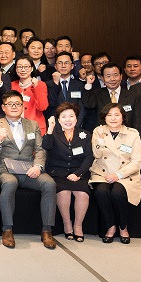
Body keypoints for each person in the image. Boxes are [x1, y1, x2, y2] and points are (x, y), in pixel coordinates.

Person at [0, 90, 57, 249]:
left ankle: (47, 230)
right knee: (9, 183)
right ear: (3, 107)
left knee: (49, 184)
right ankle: (7, 229)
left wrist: (38, 166)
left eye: (17, 104)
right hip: (5, 169)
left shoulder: (32, 125)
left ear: (23, 106)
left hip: (28, 169)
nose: (14, 107)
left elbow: (40, 149)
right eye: (10, 104)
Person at [90, 103, 141, 244]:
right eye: (109, 115)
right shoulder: (98, 131)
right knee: (101, 192)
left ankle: (123, 227)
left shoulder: (133, 134)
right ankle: (110, 226)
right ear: (104, 117)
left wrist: (118, 175)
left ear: (123, 117)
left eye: (117, 115)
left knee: (117, 193)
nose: (113, 118)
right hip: (102, 173)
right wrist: (100, 140)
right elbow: (96, 154)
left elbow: (136, 162)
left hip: (125, 174)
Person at [42, 103, 92, 243]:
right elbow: (46, 146)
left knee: (82, 194)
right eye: (63, 117)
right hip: (58, 172)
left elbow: (89, 157)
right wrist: (50, 129)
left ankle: (78, 226)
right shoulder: (53, 134)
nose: (68, 119)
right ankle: (67, 224)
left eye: (71, 116)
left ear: (76, 118)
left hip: (78, 172)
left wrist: (78, 173)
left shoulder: (85, 135)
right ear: (58, 120)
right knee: (64, 192)